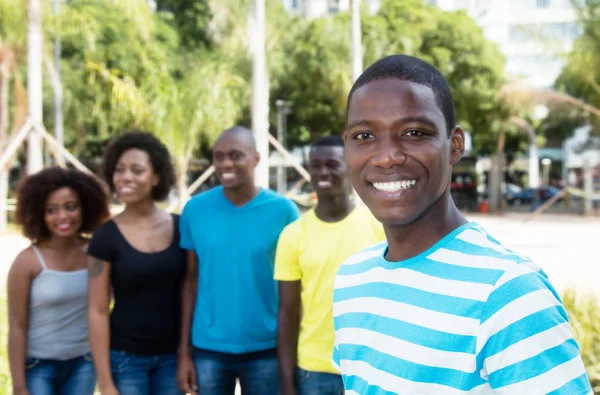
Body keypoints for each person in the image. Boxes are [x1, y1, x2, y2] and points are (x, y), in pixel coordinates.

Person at [332, 54, 593, 394]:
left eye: (413, 132)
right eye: (364, 136)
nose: (386, 156)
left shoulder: (507, 291)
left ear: (455, 145)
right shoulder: (351, 277)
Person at [177, 126, 300, 395]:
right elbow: (191, 280)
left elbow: (295, 286)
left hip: (267, 347)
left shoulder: (283, 211)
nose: (225, 163)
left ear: (256, 159)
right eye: (219, 156)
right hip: (208, 349)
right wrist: (183, 351)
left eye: (235, 155)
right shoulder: (195, 210)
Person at [275, 135, 385, 395]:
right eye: (316, 165)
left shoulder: (380, 227)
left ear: (350, 166)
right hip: (314, 370)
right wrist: (287, 383)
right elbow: (287, 314)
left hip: (369, 368)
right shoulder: (293, 235)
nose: (323, 172)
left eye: (332, 164)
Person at [87, 131, 186, 395]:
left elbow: (191, 289)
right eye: (119, 170)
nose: (125, 177)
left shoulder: (181, 228)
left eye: (137, 170)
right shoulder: (105, 237)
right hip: (125, 360)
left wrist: (186, 353)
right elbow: (97, 310)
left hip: (173, 358)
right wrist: (105, 381)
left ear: (156, 177)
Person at [7, 167, 110, 395]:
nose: (62, 217)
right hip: (38, 366)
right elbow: (17, 326)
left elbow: (103, 308)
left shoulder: (96, 253)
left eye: (70, 207)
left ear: (85, 207)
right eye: (51, 210)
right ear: (39, 214)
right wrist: (19, 386)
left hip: (84, 362)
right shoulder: (27, 261)